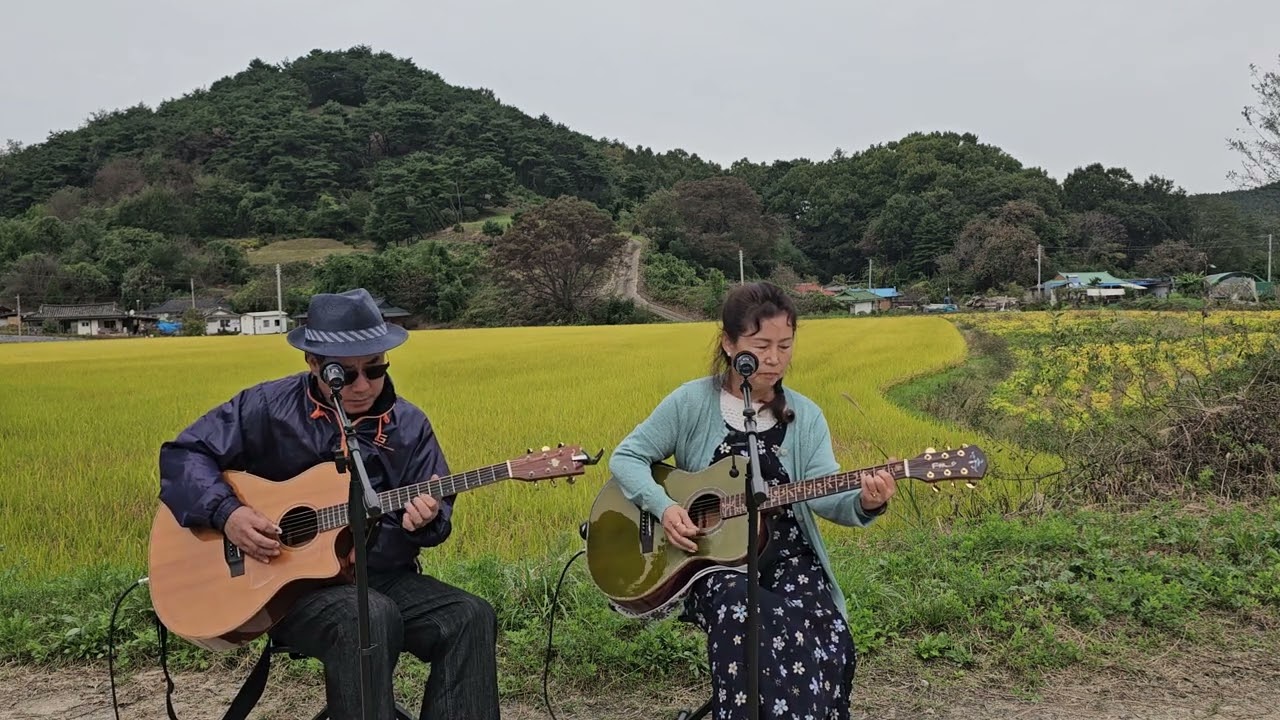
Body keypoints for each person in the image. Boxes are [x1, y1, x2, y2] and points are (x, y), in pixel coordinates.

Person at [158, 288, 499, 720]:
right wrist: (229, 514)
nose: (362, 385)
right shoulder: (265, 406)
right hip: (287, 588)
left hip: (378, 575)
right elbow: (183, 455)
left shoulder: (408, 426)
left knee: (469, 617)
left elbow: (437, 518)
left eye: (374, 369)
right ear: (313, 363)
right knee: (370, 617)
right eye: (345, 372)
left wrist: (426, 521)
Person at [609, 281, 897, 720]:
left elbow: (821, 491)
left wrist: (866, 502)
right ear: (729, 344)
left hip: (788, 557)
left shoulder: (805, 415)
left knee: (824, 628)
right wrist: (663, 506)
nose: (775, 358)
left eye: (785, 345)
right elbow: (627, 457)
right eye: (761, 345)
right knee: (744, 611)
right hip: (714, 564)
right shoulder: (691, 402)